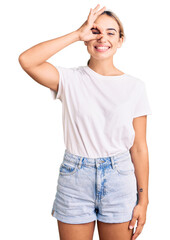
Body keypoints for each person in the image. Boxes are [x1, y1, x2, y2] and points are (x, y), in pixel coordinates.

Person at [18, 4, 152, 240]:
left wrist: (144, 199)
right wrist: (76, 34)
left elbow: (139, 147)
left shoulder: (135, 87)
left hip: (119, 178)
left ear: (120, 40)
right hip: (75, 178)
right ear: (87, 38)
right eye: (95, 30)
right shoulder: (69, 79)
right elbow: (27, 60)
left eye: (111, 32)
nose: (102, 38)